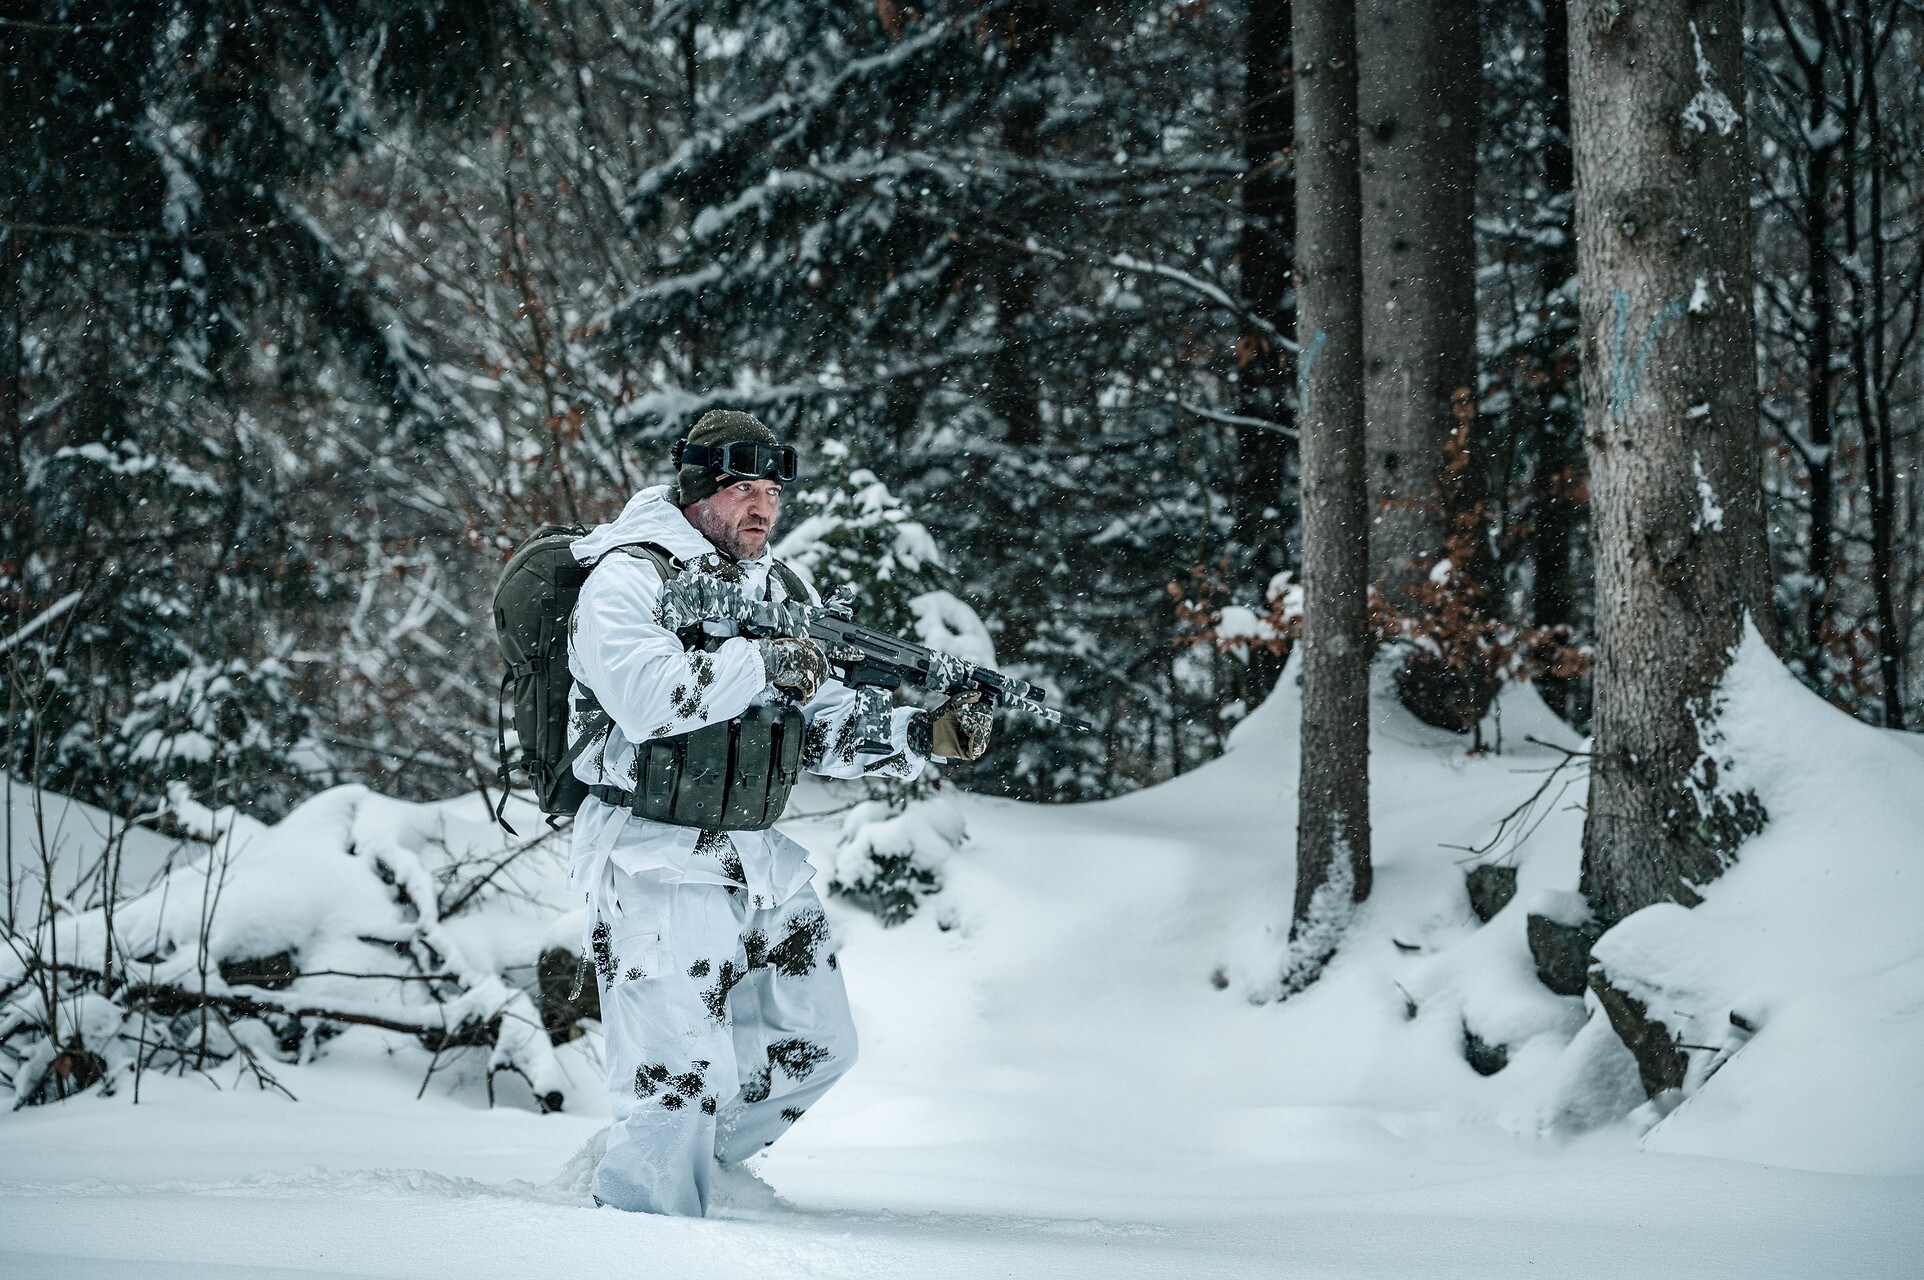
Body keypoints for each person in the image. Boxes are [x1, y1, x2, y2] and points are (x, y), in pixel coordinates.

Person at [565, 409, 992, 1215]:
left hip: (758, 865)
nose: (763, 507)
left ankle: (701, 1182)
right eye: (743, 490)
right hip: (654, 858)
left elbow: (821, 728)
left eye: (772, 492)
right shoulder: (627, 577)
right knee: (673, 1083)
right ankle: (642, 1232)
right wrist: (759, 660)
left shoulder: (776, 587)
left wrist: (919, 733)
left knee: (818, 1046)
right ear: (697, 490)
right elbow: (648, 699)